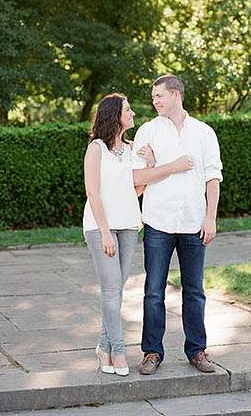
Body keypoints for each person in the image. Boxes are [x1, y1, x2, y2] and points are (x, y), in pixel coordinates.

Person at [83, 93, 193, 376]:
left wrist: (151, 164)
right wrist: (105, 233)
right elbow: (93, 193)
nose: (132, 113)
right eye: (128, 110)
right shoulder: (96, 148)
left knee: (116, 290)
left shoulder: (131, 148)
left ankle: (103, 347)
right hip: (101, 228)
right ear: (114, 115)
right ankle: (118, 352)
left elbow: (137, 188)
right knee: (110, 289)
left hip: (130, 225)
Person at [132, 74, 223, 375]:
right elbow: (137, 178)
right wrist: (161, 166)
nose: (154, 101)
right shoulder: (148, 131)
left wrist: (210, 217)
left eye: (158, 95)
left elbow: (213, 177)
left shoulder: (204, 133)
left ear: (176, 94)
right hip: (158, 222)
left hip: (194, 222)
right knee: (153, 291)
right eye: (153, 96)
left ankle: (197, 351)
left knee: (194, 291)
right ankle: (152, 352)